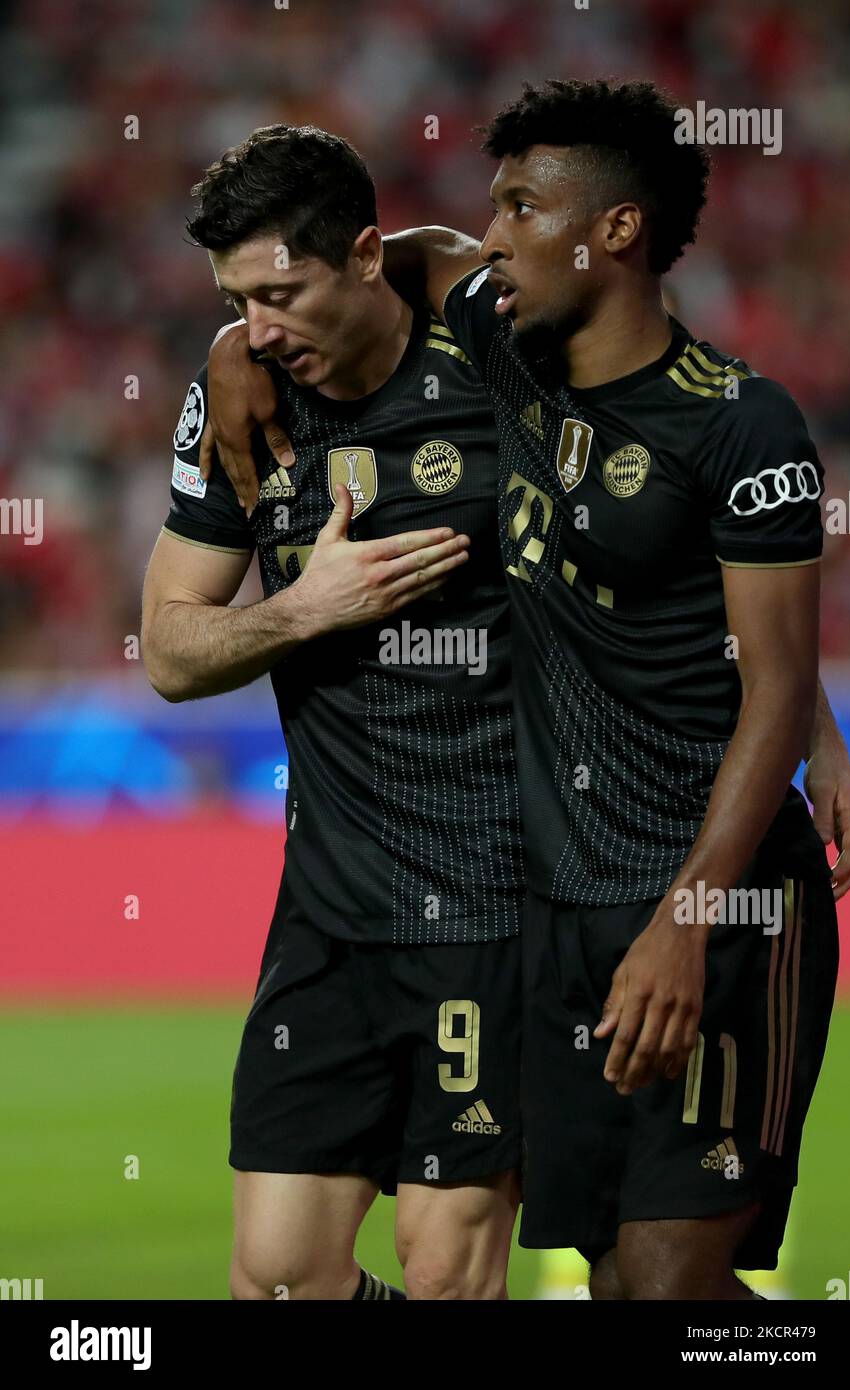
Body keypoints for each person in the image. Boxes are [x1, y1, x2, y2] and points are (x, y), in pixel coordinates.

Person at [205, 82, 850, 1300]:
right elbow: (381, 257)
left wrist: (703, 892)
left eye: (519, 205)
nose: (491, 231)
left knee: (664, 1290)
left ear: (612, 231)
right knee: (619, 1285)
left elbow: (764, 674)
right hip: (559, 911)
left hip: (714, 904)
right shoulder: (509, 361)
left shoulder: (739, 422)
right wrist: (235, 344)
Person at [141, 125, 523, 1301]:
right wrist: (303, 610)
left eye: (281, 292)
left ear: (365, 256)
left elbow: (683, 522)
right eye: (235, 300)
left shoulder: (500, 356)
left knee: (447, 1277)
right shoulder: (247, 395)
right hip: (329, 910)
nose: (259, 328)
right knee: (278, 1276)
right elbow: (167, 647)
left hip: (497, 893)